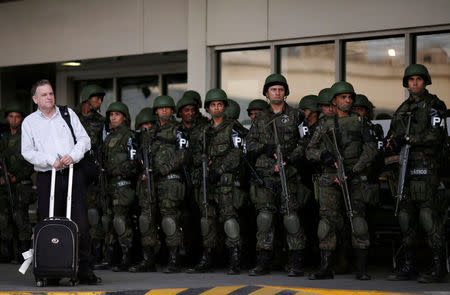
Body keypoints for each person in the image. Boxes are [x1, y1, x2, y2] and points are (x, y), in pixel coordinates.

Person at [21, 79, 101, 284]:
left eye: (51, 93)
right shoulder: (29, 122)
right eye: (44, 94)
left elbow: (84, 140)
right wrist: (50, 161)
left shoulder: (67, 113)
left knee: (80, 223)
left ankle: (84, 270)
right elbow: (27, 152)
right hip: (48, 176)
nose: (49, 97)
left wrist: (72, 155)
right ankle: (53, 270)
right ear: (35, 99)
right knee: (49, 221)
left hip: (73, 173)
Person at [307, 81, 377, 280]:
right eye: (343, 97)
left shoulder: (360, 121)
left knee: (358, 220)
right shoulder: (324, 124)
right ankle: (325, 267)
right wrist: (324, 156)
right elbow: (309, 150)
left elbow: (371, 149)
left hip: (354, 176)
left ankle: (361, 269)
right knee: (326, 222)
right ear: (334, 101)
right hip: (330, 177)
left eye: (350, 97)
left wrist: (354, 170)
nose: (348, 101)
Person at [386, 64, 448, 283]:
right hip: (404, 169)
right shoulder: (402, 109)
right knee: (405, 216)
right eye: (410, 80)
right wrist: (392, 144)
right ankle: (409, 265)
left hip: (426, 168)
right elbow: (393, 136)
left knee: (427, 216)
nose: (414, 83)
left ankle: (438, 267)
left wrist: (411, 139)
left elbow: (436, 136)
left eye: (418, 79)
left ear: (425, 81)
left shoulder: (434, 105)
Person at [246, 74, 307, 277]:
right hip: (265, 176)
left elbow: (304, 143)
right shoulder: (260, 118)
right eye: (273, 89)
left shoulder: (297, 115)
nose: (277, 92)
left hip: (288, 174)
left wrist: (288, 159)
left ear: (285, 92)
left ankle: (296, 261)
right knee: (265, 218)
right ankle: (263, 261)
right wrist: (265, 147)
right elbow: (249, 145)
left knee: (291, 218)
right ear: (266, 93)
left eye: (281, 89)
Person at [187, 89, 243, 274]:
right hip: (206, 182)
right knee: (207, 220)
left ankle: (235, 258)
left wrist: (218, 170)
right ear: (208, 108)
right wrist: (203, 165)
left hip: (225, 181)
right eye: (213, 105)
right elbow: (194, 155)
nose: (216, 107)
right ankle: (207, 257)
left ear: (224, 107)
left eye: (219, 104)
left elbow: (237, 154)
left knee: (228, 219)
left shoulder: (233, 128)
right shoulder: (203, 131)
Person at [150, 95, 188, 273]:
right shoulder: (150, 132)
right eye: (161, 108)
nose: (164, 110)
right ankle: (151, 257)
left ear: (172, 111)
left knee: (169, 219)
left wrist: (164, 169)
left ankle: (175, 258)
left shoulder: (178, 130)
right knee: (148, 219)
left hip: (170, 181)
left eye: (167, 108)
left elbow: (183, 154)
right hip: (151, 182)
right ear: (156, 111)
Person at [102, 101, 137, 272]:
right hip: (109, 186)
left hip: (123, 187)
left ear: (124, 117)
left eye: (117, 114)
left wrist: (115, 170)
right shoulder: (108, 138)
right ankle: (110, 257)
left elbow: (134, 163)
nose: (113, 117)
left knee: (121, 221)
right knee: (108, 221)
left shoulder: (129, 136)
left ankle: (126, 257)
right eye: (111, 114)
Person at [75, 84, 107, 268]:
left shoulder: (101, 121)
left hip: (93, 172)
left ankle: (95, 252)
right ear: (87, 98)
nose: (100, 101)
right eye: (96, 98)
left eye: (101, 98)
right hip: (75, 170)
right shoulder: (72, 117)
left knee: (93, 213)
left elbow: (103, 147)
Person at [0, 104, 35, 263]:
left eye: (17, 116)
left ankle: (24, 255)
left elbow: (31, 162)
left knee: (20, 218)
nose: (13, 119)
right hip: (4, 183)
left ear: (22, 119)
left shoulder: (26, 136)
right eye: (11, 116)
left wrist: (18, 177)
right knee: (4, 218)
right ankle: (7, 253)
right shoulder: (3, 137)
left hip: (21, 184)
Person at [129, 107, 159, 272]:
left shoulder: (159, 138)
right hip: (144, 186)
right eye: (144, 125)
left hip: (163, 185)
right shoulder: (135, 141)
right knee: (145, 220)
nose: (147, 127)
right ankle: (148, 258)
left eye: (150, 124)